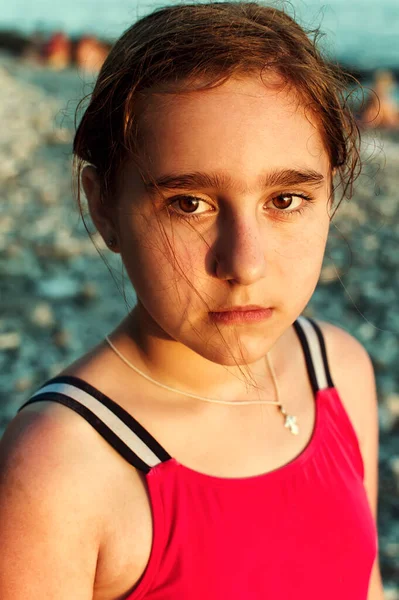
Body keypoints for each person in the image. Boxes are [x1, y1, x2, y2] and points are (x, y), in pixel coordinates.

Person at [0, 3, 385, 599]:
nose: (245, 263)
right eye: (189, 203)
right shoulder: (61, 470)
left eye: (285, 200)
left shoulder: (338, 371)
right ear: (103, 206)